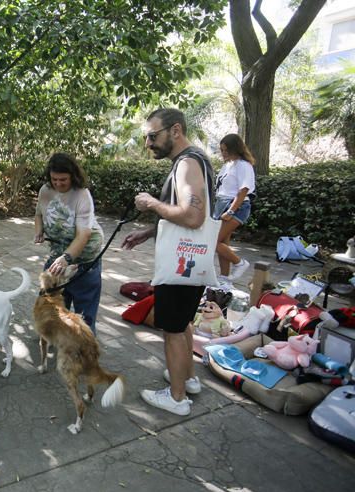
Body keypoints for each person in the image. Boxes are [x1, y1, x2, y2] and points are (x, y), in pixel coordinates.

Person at [121, 108, 214, 416]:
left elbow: (192, 215)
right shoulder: (195, 160)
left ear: (175, 131)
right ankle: (188, 379)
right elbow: (185, 216)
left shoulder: (187, 164)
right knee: (182, 322)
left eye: (152, 136)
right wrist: (149, 232)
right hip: (191, 260)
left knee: (172, 329)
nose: (148, 143)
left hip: (180, 265)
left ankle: (176, 399)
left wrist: (150, 203)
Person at [34, 153, 105, 333]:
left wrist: (66, 258)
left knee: (84, 309)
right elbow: (38, 214)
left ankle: (85, 343)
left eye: (63, 179)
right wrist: (39, 231)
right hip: (58, 252)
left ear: (73, 175)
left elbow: (84, 234)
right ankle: (52, 334)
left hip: (84, 256)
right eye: (54, 179)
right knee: (51, 300)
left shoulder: (82, 195)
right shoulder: (45, 190)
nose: (58, 184)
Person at [214, 133, 255, 287]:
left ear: (235, 149)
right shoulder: (228, 165)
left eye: (226, 150)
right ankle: (225, 279)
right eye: (222, 150)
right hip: (221, 205)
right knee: (222, 243)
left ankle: (240, 263)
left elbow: (244, 190)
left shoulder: (244, 165)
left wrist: (231, 211)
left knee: (212, 241)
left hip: (235, 207)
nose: (223, 153)